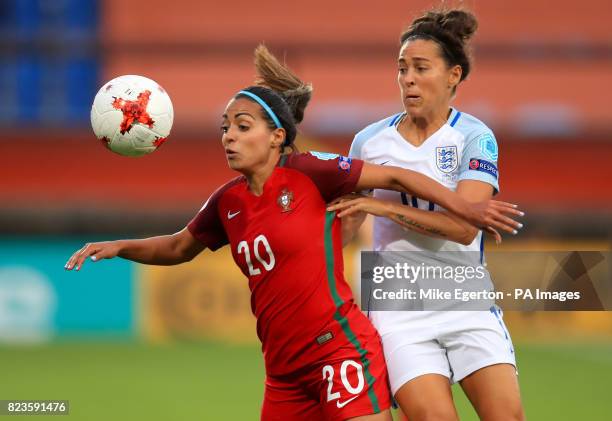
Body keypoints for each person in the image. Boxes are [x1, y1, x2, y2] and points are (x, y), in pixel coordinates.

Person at [65, 45, 521, 420]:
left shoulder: (310, 171)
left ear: (277, 136)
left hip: (339, 350)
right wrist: (120, 246)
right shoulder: (228, 202)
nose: (229, 137)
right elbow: (180, 246)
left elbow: (396, 178)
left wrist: (467, 209)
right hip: (283, 372)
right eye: (225, 128)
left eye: (242, 127)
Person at [330, 8, 526, 421]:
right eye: (402, 69)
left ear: (453, 75)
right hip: (397, 308)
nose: (408, 79)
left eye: (421, 68)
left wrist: (382, 206)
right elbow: (345, 225)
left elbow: (460, 227)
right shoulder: (369, 141)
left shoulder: (474, 137)